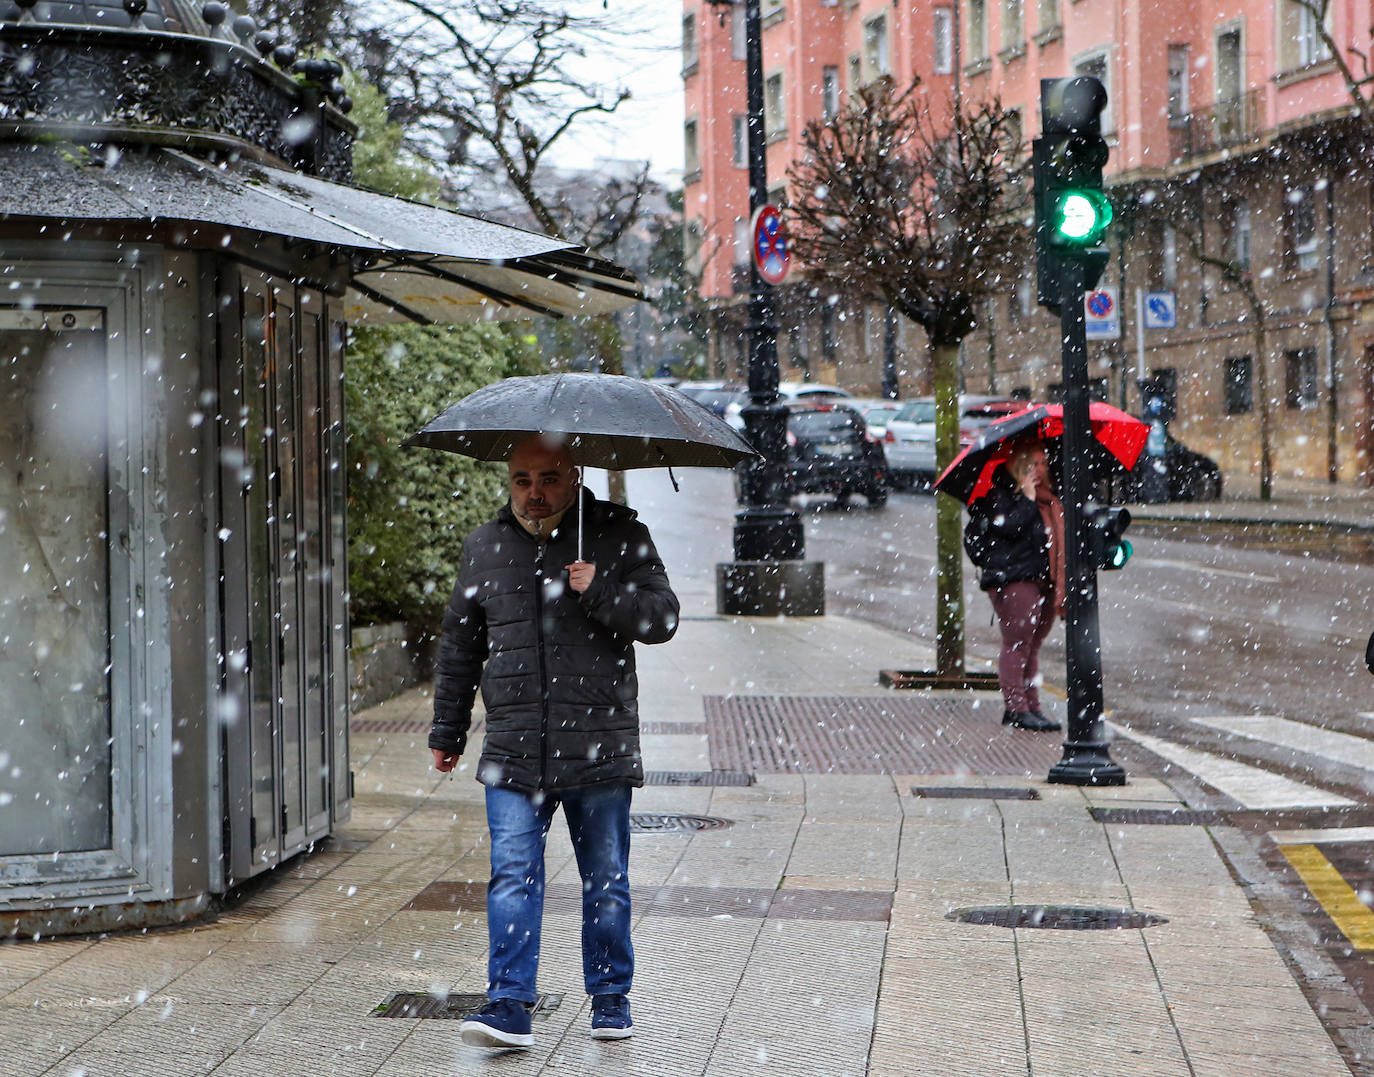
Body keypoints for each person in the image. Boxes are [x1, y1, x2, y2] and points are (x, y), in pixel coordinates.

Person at [428, 434, 680, 1050]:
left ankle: (611, 996)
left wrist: (599, 590)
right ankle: (509, 1007)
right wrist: (448, 729)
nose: (534, 493)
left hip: (599, 743)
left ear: (574, 477)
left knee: (605, 877)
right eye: (522, 480)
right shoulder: (484, 547)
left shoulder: (620, 535)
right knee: (512, 875)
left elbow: (663, 619)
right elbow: (460, 648)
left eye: (547, 479)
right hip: (514, 748)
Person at [969, 440, 1065, 732]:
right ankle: (1016, 707)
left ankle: (1032, 706)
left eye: (1043, 463)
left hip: (1043, 581)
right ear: (1017, 468)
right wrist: (1025, 497)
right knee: (1017, 644)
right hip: (1014, 580)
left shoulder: (1049, 500)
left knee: (1033, 647)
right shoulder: (1001, 497)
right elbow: (1010, 527)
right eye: (1032, 464)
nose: (1039, 469)